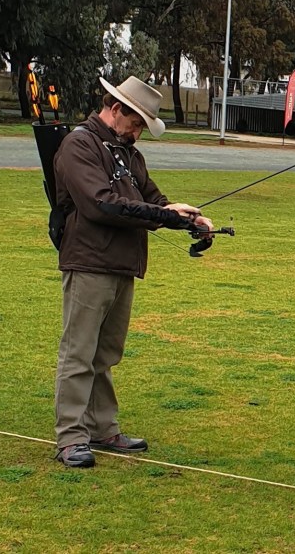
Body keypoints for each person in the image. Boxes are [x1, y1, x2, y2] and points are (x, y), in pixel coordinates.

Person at [52, 76, 214, 468]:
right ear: (115, 108)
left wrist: (189, 219)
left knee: (106, 353)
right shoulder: (78, 145)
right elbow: (101, 204)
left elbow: (153, 199)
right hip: (89, 262)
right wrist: (164, 215)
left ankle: (102, 428)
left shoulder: (128, 153)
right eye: (136, 122)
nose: (138, 132)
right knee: (79, 352)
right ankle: (71, 437)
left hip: (123, 263)